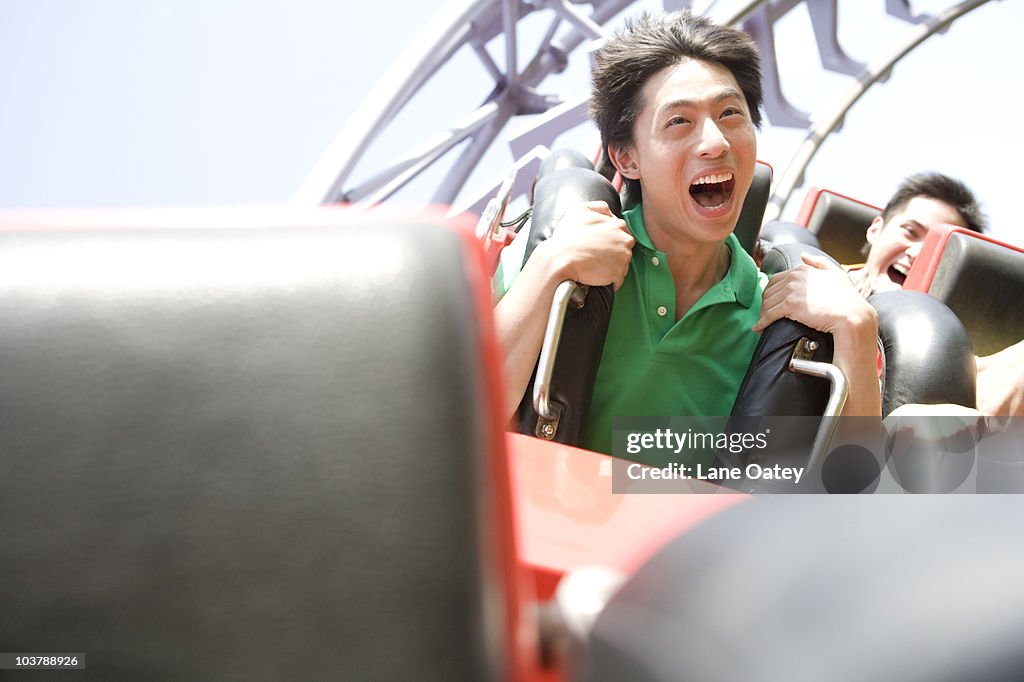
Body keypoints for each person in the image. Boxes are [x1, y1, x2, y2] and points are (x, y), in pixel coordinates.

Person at [493, 11, 881, 459]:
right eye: (679, 121)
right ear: (626, 158)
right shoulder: (557, 249)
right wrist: (548, 269)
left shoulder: (783, 319)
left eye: (731, 113)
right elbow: (456, 420)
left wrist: (857, 328)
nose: (715, 141)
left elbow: (856, 490)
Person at [850, 172, 1023, 417]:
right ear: (875, 229)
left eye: (938, 248)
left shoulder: (950, 352)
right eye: (910, 232)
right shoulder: (814, 283)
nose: (919, 252)